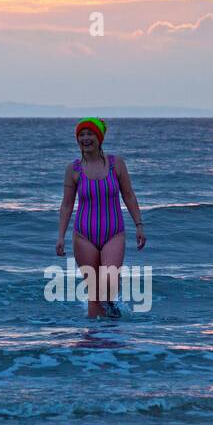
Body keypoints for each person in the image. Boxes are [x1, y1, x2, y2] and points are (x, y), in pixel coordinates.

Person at [55, 118, 146, 318]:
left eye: (90, 134)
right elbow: (67, 204)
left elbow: (129, 195)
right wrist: (60, 236)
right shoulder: (73, 169)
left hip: (114, 233)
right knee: (94, 292)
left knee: (109, 281)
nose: (85, 138)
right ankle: (96, 340)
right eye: (81, 134)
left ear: (100, 138)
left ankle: (111, 311)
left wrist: (139, 224)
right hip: (83, 236)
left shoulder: (116, 164)